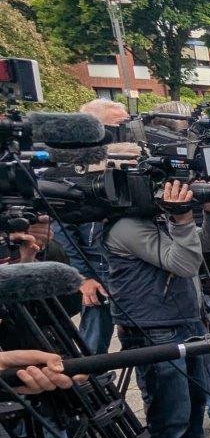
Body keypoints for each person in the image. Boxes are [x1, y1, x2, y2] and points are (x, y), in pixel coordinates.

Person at [106, 179, 210, 438]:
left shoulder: (160, 218)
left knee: (195, 401)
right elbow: (185, 264)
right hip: (153, 327)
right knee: (169, 409)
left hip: (185, 320)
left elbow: (208, 245)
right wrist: (182, 220)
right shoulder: (126, 227)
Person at [53, 99, 131, 355]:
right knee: (93, 347)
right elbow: (62, 232)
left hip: (131, 268)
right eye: (118, 126)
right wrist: (83, 278)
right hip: (97, 271)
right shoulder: (71, 170)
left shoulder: (129, 163)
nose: (125, 131)